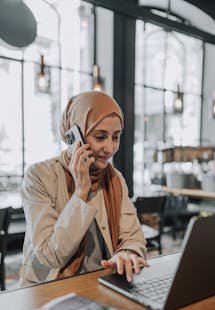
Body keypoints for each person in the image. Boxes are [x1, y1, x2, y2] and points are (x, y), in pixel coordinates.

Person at [19, 91, 148, 287]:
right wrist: (81, 192)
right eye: (100, 136)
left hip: (98, 285)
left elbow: (133, 237)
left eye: (116, 137)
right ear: (74, 136)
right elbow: (49, 257)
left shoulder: (114, 179)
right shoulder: (38, 176)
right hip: (45, 289)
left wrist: (126, 254)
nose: (110, 148)